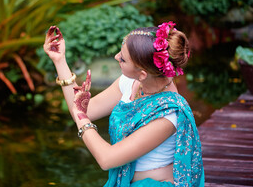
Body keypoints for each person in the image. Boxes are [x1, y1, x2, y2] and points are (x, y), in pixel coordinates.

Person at [43, 22, 204, 187]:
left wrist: (82, 118)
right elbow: (85, 111)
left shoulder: (168, 114)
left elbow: (106, 159)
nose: (116, 56)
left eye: (123, 58)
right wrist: (60, 60)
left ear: (142, 74)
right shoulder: (132, 82)